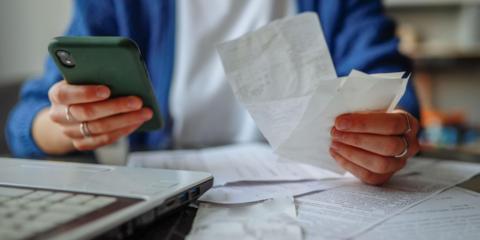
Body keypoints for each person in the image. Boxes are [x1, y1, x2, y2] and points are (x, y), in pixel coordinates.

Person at [6, 0, 420, 185]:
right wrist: (68, 125)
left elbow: (394, 95)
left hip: (321, 201)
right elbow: (25, 122)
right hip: (170, 200)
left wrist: (389, 138)